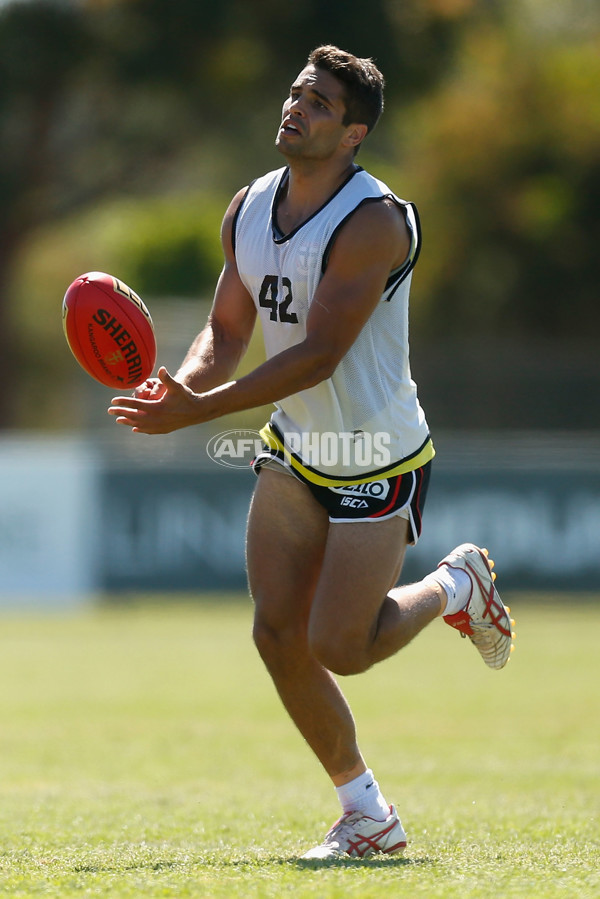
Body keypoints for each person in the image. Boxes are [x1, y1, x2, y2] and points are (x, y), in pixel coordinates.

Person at [108, 45, 515, 860]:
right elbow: (226, 331)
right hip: (297, 448)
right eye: (297, 92)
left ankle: (454, 582)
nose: (297, 107)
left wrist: (198, 414)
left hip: (377, 453)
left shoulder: (375, 222)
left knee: (341, 645)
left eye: (321, 104)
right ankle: (368, 814)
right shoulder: (248, 206)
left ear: (354, 132)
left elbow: (320, 353)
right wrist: (180, 386)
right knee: (275, 633)